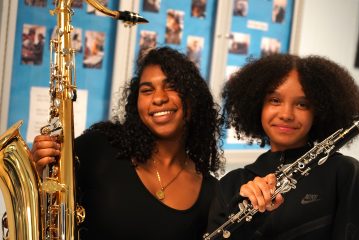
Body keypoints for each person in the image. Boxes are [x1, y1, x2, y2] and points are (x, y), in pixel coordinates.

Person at [31, 47, 225, 239]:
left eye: (172, 86)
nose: (158, 98)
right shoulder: (100, 147)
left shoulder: (211, 193)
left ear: (193, 99)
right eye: (147, 90)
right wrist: (37, 170)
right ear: (136, 103)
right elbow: (46, 212)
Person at [207, 54, 359, 239]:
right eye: (275, 100)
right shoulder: (231, 184)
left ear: (319, 111)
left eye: (302, 104)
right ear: (258, 105)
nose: (286, 114)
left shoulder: (345, 173)